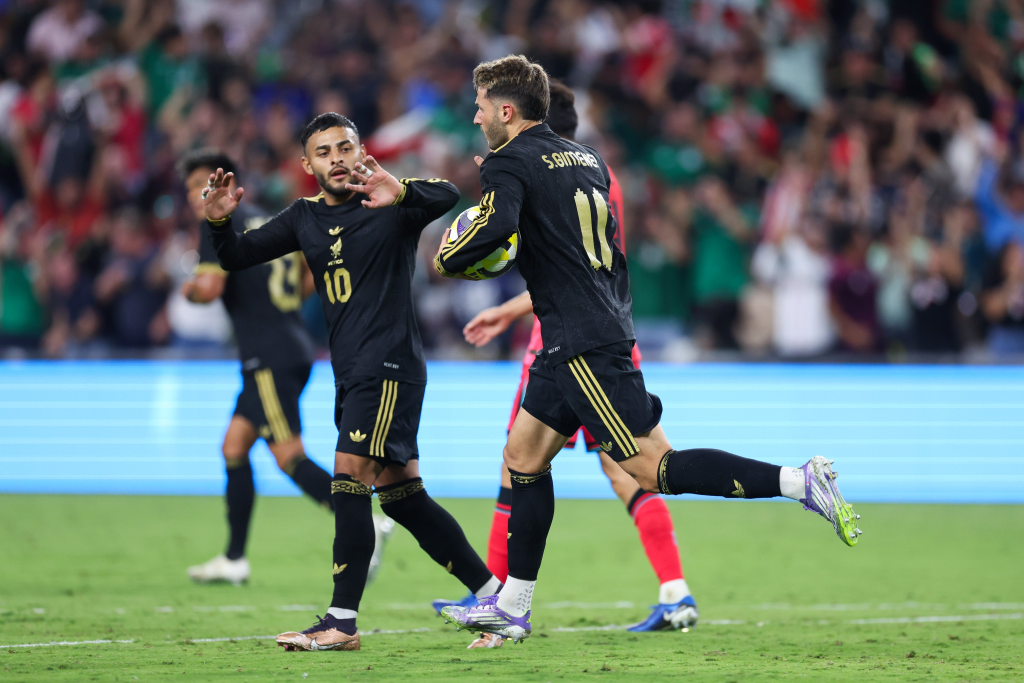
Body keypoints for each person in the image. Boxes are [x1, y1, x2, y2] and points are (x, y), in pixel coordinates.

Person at [435, 55, 862, 644]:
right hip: (583, 333)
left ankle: (800, 481)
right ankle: (513, 604)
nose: (476, 114)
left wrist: (446, 253)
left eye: (482, 104)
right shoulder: (590, 161)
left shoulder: (510, 162)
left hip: (581, 345)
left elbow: (494, 229)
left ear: (508, 111)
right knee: (523, 457)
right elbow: (594, 253)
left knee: (651, 469)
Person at [203, 114, 503, 651]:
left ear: (362, 151)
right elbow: (236, 256)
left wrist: (399, 188)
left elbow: (450, 194)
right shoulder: (303, 217)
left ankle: (342, 621)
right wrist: (221, 223)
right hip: (353, 374)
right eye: (324, 152)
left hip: (389, 368)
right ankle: (494, 599)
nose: (337, 158)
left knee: (348, 477)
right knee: (402, 497)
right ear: (308, 166)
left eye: (345, 147)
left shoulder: (391, 205)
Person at [431, 83, 697, 648]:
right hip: (608, 337)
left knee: (523, 465)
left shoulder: (541, 175)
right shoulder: (600, 175)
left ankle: (497, 596)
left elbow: (570, 268)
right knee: (622, 469)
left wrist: (505, 303)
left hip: (562, 344)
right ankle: (674, 590)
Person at [178, 149, 393, 585]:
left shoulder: (217, 221)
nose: (194, 195)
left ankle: (364, 521)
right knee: (234, 446)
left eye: (197, 185)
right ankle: (234, 557)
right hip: (289, 342)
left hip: (266, 354)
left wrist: (187, 290)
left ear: (215, 183)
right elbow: (309, 273)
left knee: (287, 454)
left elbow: (211, 285)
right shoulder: (265, 218)